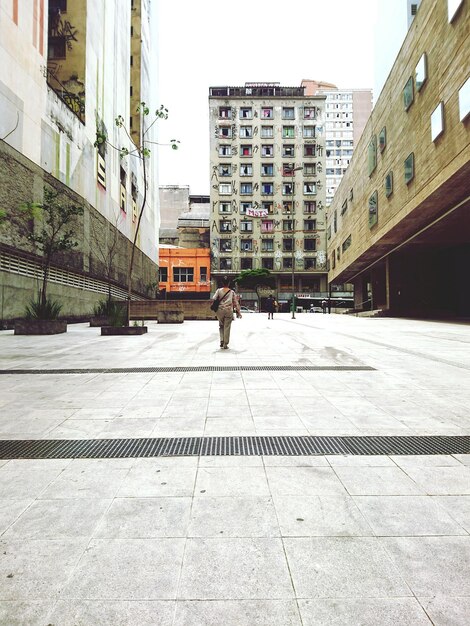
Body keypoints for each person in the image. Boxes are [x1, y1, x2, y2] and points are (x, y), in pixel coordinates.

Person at [212, 276, 242, 349]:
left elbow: (214, 298)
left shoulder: (219, 290)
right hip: (229, 310)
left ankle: (222, 340)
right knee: (227, 327)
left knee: (221, 326)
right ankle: (225, 343)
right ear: (229, 283)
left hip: (220, 310)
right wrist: (239, 312)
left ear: (222, 283)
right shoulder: (232, 292)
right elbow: (236, 303)